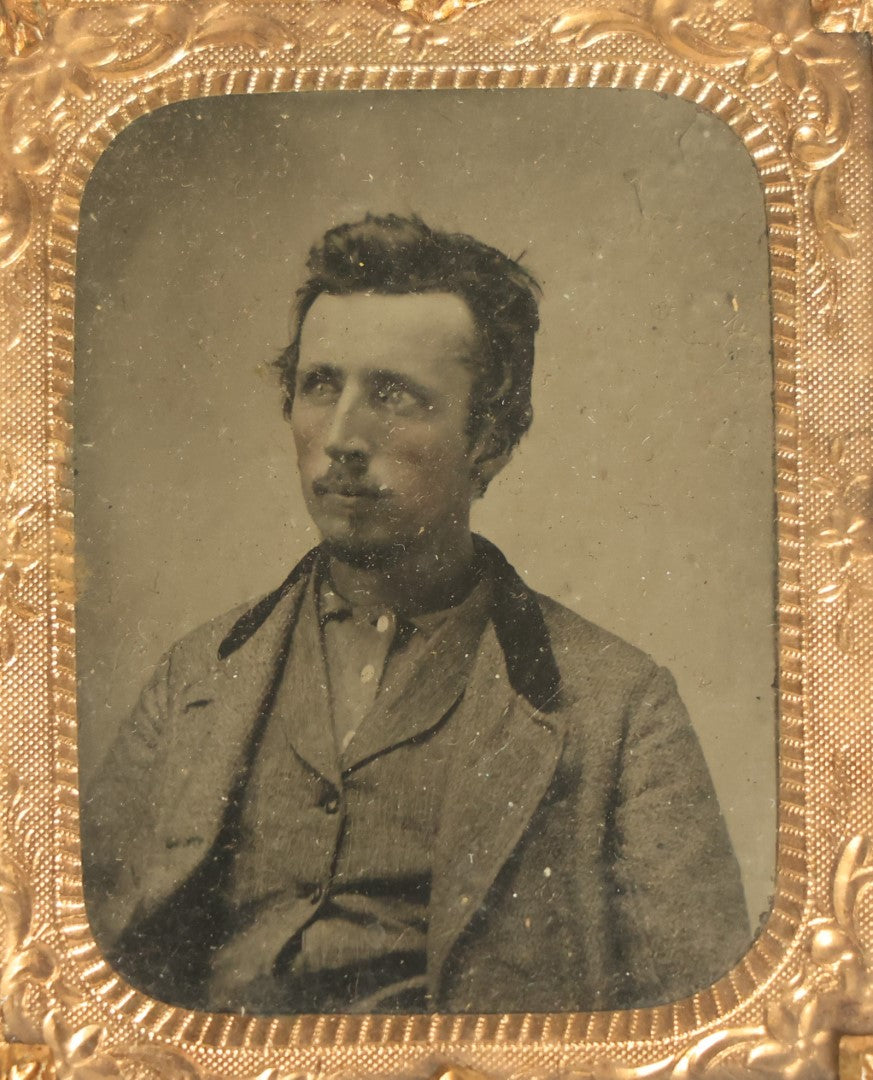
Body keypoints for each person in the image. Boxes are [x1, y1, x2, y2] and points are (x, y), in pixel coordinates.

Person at [82, 213, 750, 1016]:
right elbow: (67, 983)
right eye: (321, 384)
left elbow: (713, 1030)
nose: (342, 436)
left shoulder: (620, 709)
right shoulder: (195, 680)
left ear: (490, 441)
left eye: (394, 396)